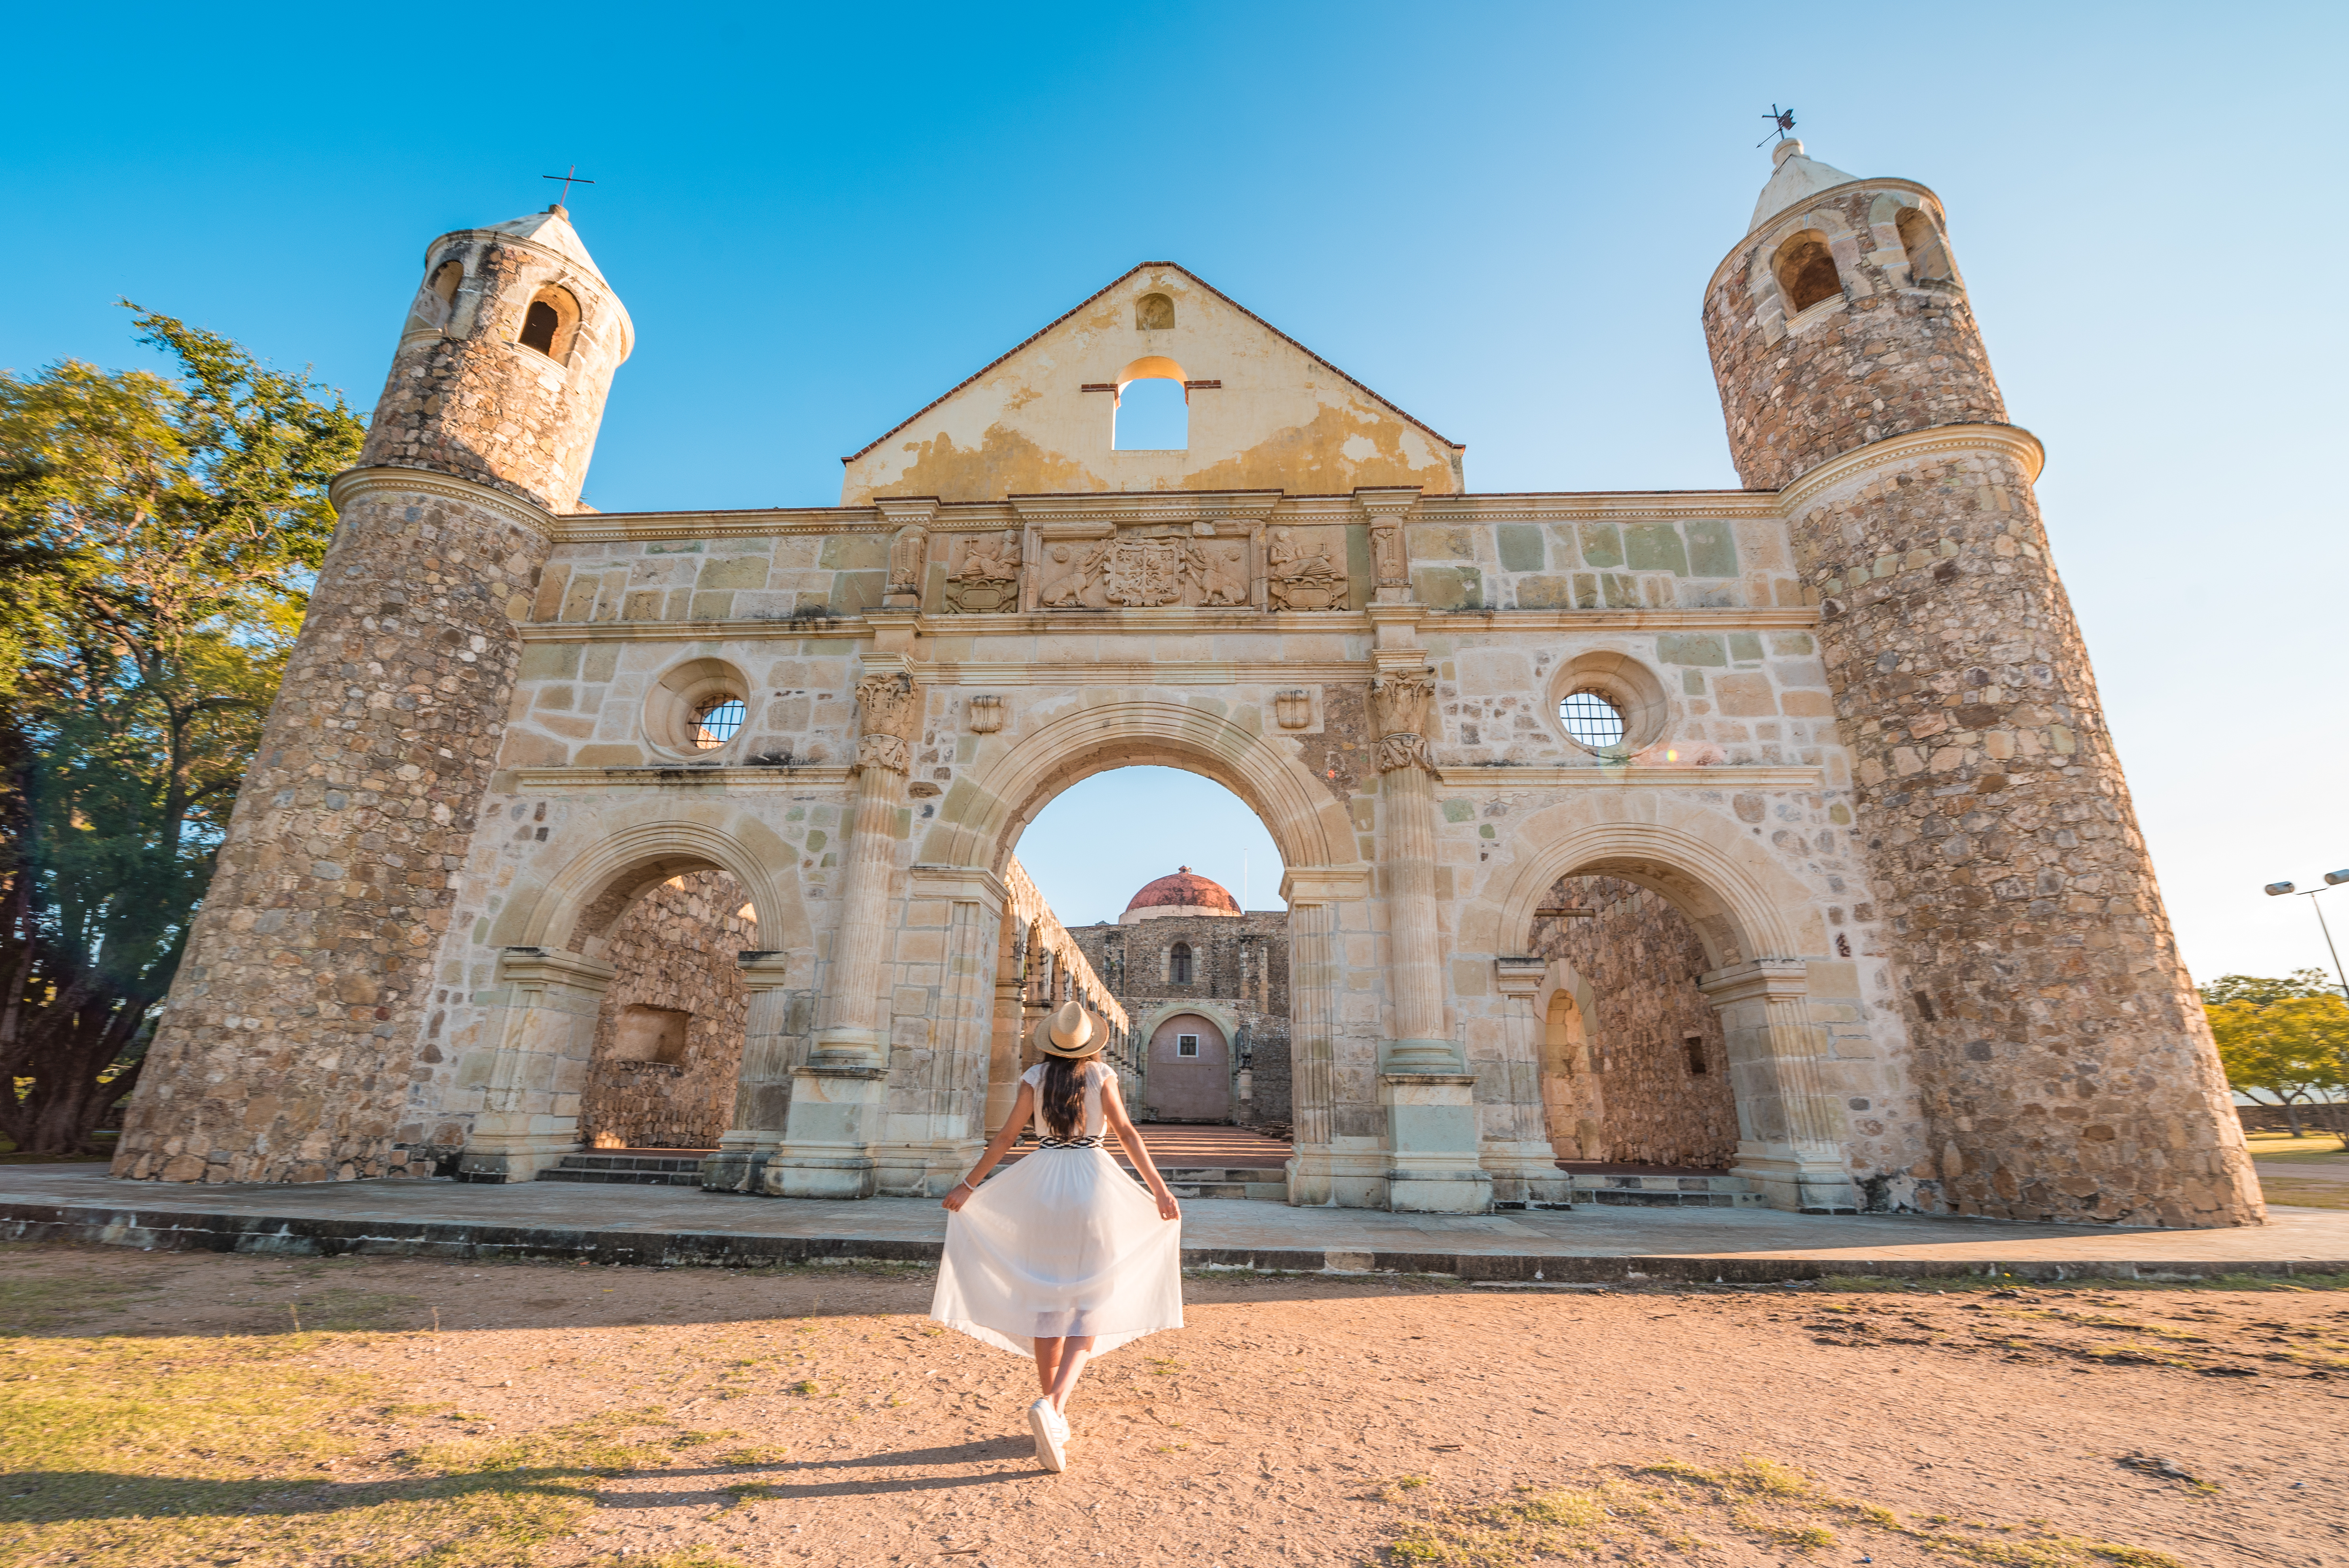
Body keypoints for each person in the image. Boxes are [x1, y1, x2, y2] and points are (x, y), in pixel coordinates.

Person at [931, 998, 1183, 1472]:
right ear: (1089, 1044)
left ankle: (1055, 1412)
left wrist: (969, 1185)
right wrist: (1160, 1190)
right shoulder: (1101, 1075)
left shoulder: (1033, 1078)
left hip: (1042, 1182)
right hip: (1092, 1181)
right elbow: (1126, 1133)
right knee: (1090, 1302)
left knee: (1047, 1301)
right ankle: (1053, 1405)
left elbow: (1006, 1136)